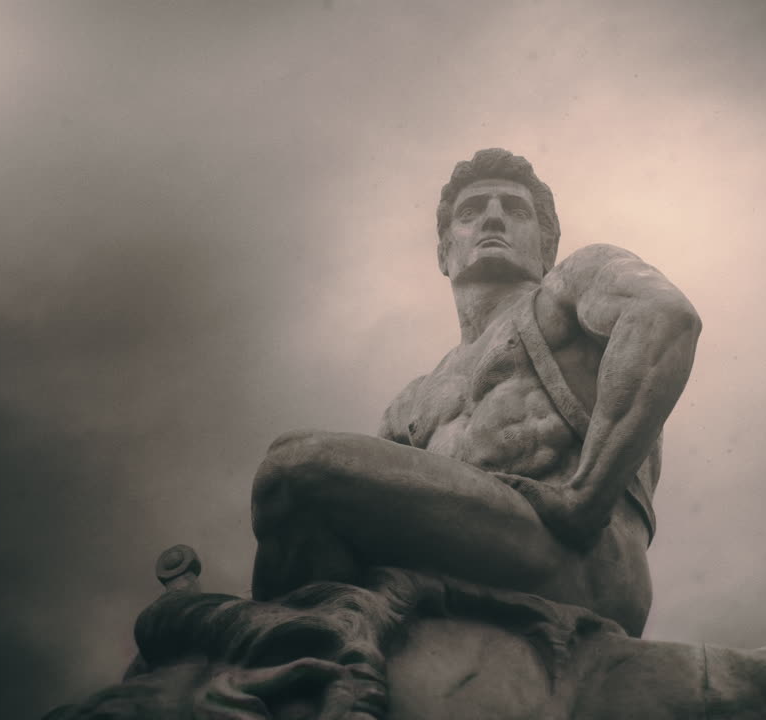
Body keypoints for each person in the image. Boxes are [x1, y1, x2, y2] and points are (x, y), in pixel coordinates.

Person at [251, 148, 701, 636]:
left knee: (295, 466)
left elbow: (665, 317)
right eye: (472, 212)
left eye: (515, 209)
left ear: (546, 246)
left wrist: (586, 496)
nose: (493, 217)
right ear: (444, 252)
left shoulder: (573, 288)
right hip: (470, 555)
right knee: (305, 521)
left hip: (574, 555)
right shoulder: (411, 403)